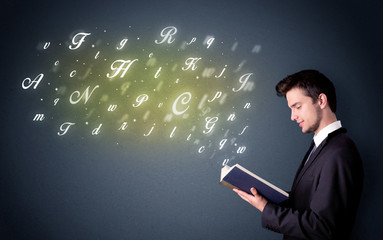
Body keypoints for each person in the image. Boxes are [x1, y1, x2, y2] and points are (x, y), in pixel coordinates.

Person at [233, 70, 364, 239]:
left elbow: (322, 227)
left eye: (297, 107)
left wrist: (267, 209)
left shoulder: (339, 152)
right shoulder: (321, 146)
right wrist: (266, 198)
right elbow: (307, 203)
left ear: (321, 100)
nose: (293, 116)